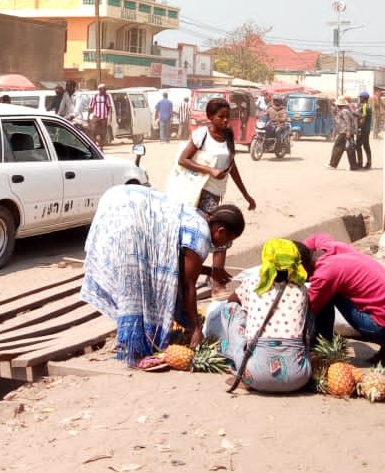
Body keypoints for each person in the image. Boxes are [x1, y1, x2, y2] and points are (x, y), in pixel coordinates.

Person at [80, 184, 246, 365]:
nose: (225, 245)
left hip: (119, 200)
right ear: (220, 231)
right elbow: (188, 284)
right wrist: (195, 328)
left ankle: (139, 344)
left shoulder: (199, 216)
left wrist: (211, 272)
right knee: (137, 286)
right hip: (129, 218)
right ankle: (136, 351)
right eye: (228, 240)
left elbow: (180, 265)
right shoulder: (201, 235)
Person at [205, 238, 312, 392]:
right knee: (308, 314)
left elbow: (231, 300)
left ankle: (238, 365)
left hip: (255, 376)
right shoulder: (301, 289)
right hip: (299, 377)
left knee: (231, 309)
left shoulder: (253, 281)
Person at [179, 97, 258, 298]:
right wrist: (209, 170)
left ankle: (216, 283)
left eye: (227, 117)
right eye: (220, 117)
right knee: (200, 237)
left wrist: (246, 194)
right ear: (210, 117)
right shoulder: (202, 135)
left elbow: (232, 167)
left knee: (221, 239)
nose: (225, 120)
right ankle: (191, 279)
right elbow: (183, 160)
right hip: (195, 192)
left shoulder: (228, 136)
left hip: (215, 195)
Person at [303, 233, 385, 365]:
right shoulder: (331, 247)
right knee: (335, 291)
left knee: (327, 295)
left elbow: (312, 306)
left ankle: (320, 353)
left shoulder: (326, 273)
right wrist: (302, 251)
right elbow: (316, 237)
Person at [327, 97, 359, 170]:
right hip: (347, 131)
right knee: (350, 148)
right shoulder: (346, 110)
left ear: (339, 105)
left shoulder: (344, 111)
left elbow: (348, 122)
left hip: (345, 132)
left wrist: (348, 132)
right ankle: (353, 166)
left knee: (337, 147)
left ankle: (333, 164)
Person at [89, 84, 112, 150]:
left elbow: (109, 107)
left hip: (104, 118)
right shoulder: (95, 96)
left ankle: (101, 147)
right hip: (96, 117)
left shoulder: (107, 97)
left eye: (105, 89)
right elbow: (91, 107)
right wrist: (88, 116)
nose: (105, 90)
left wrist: (109, 117)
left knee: (103, 133)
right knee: (93, 131)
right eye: (104, 89)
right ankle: (94, 146)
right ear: (100, 89)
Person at [355, 91, 373, 169]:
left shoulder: (365, 106)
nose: (359, 99)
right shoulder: (368, 106)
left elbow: (363, 118)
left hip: (364, 129)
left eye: (360, 98)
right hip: (367, 129)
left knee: (358, 145)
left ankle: (360, 163)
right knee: (366, 146)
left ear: (363, 98)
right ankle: (369, 163)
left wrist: (358, 127)